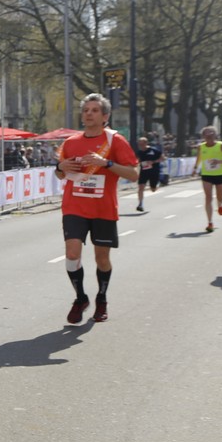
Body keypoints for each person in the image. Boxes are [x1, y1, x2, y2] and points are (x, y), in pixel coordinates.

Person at [54, 93, 140, 324]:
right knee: (72, 254)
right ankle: (80, 298)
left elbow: (134, 174)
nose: (89, 114)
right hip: (74, 206)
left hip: (103, 209)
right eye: (85, 110)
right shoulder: (71, 142)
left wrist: (107, 163)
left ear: (105, 116)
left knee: (102, 258)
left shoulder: (115, 141)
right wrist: (60, 167)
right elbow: (60, 173)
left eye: (94, 110)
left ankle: (101, 298)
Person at [194, 126, 222, 232]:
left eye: (211, 134)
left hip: (220, 174)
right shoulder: (200, 147)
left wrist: (220, 162)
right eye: (207, 134)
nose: (209, 136)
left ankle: (220, 205)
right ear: (203, 136)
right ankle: (210, 223)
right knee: (208, 198)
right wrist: (195, 168)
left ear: (215, 135)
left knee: (219, 197)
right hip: (206, 175)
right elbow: (199, 158)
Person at [134, 136, 163, 212]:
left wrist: (153, 162)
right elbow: (137, 160)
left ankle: (157, 184)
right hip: (144, 172)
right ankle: (140, 204)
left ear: (146, 143)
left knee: (153, 190)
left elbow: (163, 158)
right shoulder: (139, 152)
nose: (140, 146)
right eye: (139, 144)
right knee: (141, 187)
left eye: (142, 144)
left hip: (154, 172)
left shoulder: (154, 150)